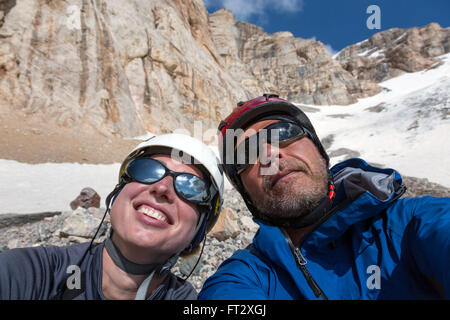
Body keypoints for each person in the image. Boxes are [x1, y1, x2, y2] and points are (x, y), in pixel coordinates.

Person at [199, 94, 450, 300]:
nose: (269, 156)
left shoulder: (410, 224)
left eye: (284, 132)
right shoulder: (241, 277)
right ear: (245, 195)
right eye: (246, 154)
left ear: (320, 151)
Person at [0, 133, 224, 300]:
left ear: (198, 232)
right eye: (147, 169)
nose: (162, 188)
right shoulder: (33, 272)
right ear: (117, 194)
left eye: (192, 187)